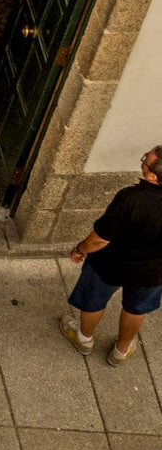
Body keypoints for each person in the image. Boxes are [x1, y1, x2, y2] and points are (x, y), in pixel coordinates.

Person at [60, 146, 162, 366]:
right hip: (153, 271)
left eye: (145, 158)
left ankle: (84, 339)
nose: (142, 159)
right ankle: (121, 351)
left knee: (94, 300)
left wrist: (80, 249)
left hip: (111, 264)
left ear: (152, 175)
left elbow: (100, 239)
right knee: (136, 308)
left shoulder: (132, 198)